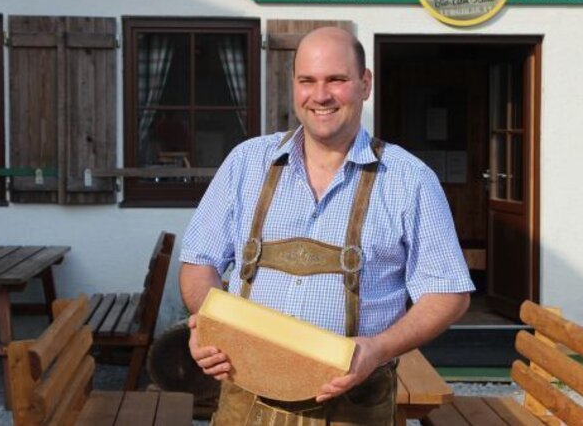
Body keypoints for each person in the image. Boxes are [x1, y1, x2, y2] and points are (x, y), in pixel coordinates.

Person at [178, 26, 474, 425]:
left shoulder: (409, 179)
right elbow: (199, 262)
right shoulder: (247, 163)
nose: (320, 95)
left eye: (336, 79)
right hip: (245, 402)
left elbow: (448, 294)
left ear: (364, 84)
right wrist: (211, 327)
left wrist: (377, 349)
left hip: (354, 407)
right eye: (307, 81)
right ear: (294, 86)